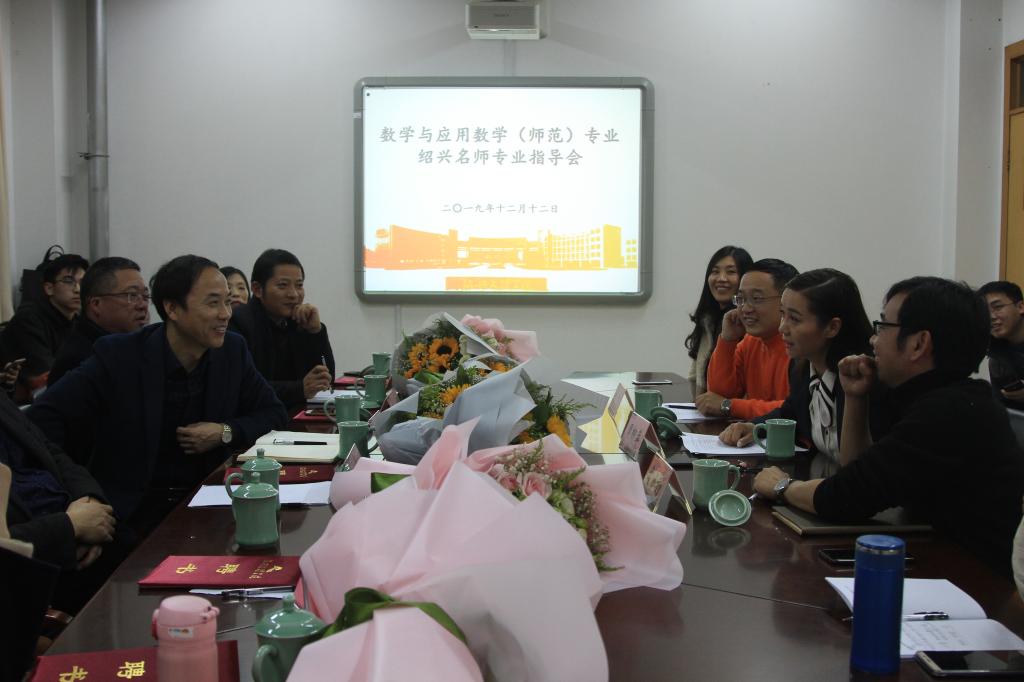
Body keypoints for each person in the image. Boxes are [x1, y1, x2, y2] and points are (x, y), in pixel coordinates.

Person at [753, 277, 1024, 571]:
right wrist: (856, 398)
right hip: (931, 552)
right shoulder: (929, 396)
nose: (873, 340)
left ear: (918, 344)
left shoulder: (949, 411)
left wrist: (782, 486)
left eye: (882, 327)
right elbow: (859, 471)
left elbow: (844, 497)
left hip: (970, 577)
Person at [28, 255, 288, 536]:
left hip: (209, 502)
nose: (226, 314)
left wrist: (225, 431)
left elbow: (273, 412)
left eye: (227, 302)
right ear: (172, 308)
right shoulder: (119, 357)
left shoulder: (231, 352)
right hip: (132, 514)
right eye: (213, 303)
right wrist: (79, 493)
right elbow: (40, 422)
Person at [719, 269, 873, 477]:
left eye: (794, 319)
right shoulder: (802, 368)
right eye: (783, 314)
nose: (782, 328)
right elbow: (789, 412)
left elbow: (860, 470)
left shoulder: (860, 379)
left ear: (832, 327)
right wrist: (753, 426)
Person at [0, 387, 119, 615]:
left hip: (81, 537)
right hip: (31, 583)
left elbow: (52, 452)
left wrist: (88, 500)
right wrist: (72, 527)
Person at [229, 249, 335, 411]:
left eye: (299, 285)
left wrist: (316, 331)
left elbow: (326, 379)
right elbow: (245, 388)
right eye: (282, 285)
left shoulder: (298, 320)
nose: (294, 294)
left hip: (293, 414)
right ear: (257, 289)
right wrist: (299, 389)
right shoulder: (238, 322)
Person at [698, 258, 799, 420]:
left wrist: (730, 406)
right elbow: (718, 394)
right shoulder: (751, 341)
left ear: (786, 301)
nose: (745, 308)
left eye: (756, 299)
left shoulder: (800, 345)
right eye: (741, 299)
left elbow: (793, 410)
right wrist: (727, 340)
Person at [48, 257, 151, 388]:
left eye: (145, 296)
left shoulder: (133, 344)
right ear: (96, 304)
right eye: (132, 295)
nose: (143, 305)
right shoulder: (82, 361)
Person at [1, 253, 89, 394]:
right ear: (49, 288)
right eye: (68, 281)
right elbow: (46, 376)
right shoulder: (28, 319)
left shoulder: (78, 321)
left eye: (82, 282)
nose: (78, 289)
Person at [685, 246, 753, 396]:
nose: (721, 278)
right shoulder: (707, 320)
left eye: (731, 272)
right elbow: (696, 378)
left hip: (733, 408)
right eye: (715, 272)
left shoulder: (749, 325)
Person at [977, 280, 1024, 410]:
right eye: (985, 311)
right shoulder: (996, 357)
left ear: (1020, 307)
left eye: (997, 307)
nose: (991, 316)